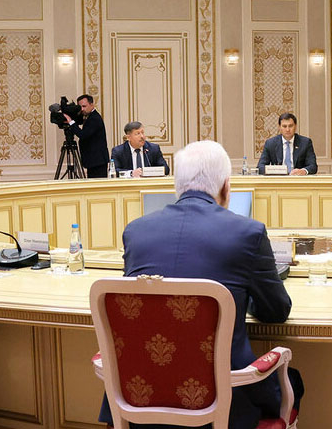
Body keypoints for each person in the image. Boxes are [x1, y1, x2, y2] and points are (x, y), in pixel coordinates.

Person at [102, 140, 303, 429]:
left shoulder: (136, 232)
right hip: (228, 404)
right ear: (226, 187)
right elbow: (276, 311)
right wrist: (244, 296)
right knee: (295, 381)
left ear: (177, 186)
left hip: (139, 404)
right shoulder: (248, 233)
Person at [64, 94, 109, 178]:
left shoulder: (94, 118)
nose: (82, 109)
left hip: (97, 161)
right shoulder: (89, 116)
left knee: (96, 184)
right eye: (80, 107)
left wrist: (70, 121)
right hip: (94, 160)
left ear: (92, 104)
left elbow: (83, 134)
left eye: (84, 106)